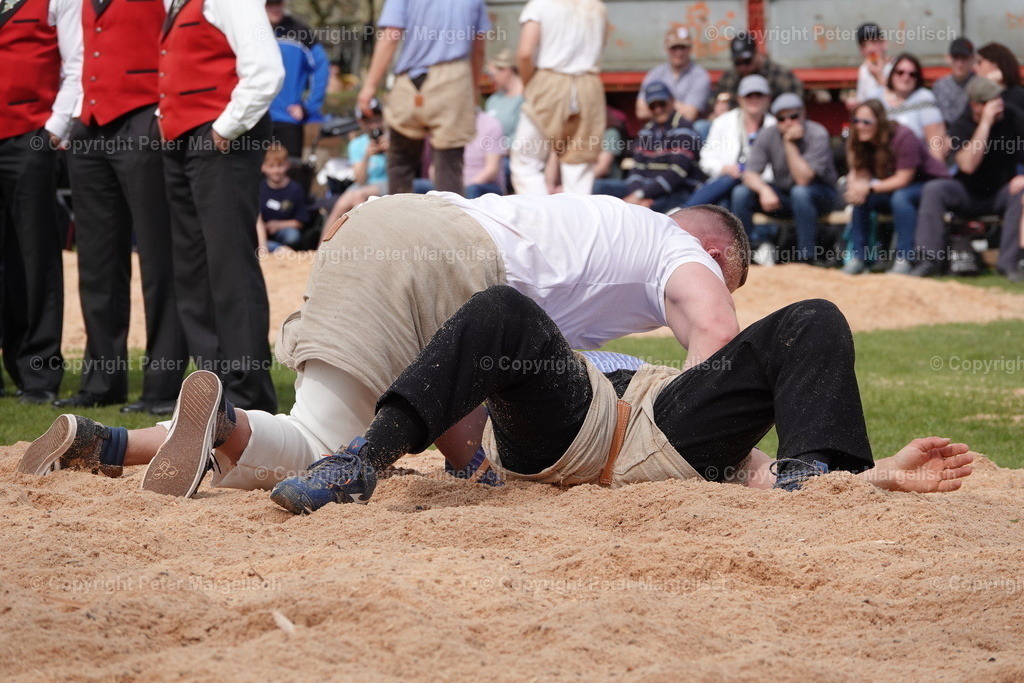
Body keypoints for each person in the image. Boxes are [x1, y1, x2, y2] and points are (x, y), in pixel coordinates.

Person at [20, 196, 751, 498]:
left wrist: (465, 447)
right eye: (732, 276)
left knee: (321, 417)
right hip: (442, 261)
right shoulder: (675, 248)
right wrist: (697, 452)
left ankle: (110, 441)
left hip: (380, 227)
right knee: (321, 447)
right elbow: (719, 337)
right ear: (716, 251)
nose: (725, 291)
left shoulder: (588, 223)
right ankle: (223, 427)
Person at [262, 286, 975, 514]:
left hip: (655, 432)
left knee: (814, 316)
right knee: (504, 308)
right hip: (583, 426)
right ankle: (363, 458)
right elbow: (471, 363)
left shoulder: (687, 375)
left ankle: (826, 483)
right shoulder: (568, 352)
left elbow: (748, 470)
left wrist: (872, 474)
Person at [57, 0, 187, 416]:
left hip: (144, 121)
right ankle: (102, 382)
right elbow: (78, 56)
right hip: (90, 124)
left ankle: (163, 385)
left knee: (158, 256)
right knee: (96, 259)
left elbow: (181, 39)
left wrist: (163, 112)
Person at [158, 0, 284, 413]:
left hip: (221, 136)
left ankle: (250, 395)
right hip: (184, 138)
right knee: (193, 268)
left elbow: (267, 71)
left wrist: (224, 127)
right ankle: (213, 392)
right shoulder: (177, 4)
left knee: (230, 266)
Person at [0, 0, 81, 405]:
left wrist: (53, 129)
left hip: (30, 138)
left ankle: (38, 373)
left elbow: (75, 64)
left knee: (35, 258)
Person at [357, 0, 489, 196]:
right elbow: (478, 46)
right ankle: (451, 224)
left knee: (401, 165)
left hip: (410, 81)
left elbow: (391, 35)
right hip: (453, 81)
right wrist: (474, 90)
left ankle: (399, 222)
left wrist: (369, 86)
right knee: (449, 168)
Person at [911, 77, 1024, 281]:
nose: (999, 103)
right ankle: (928, 261)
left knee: (1021, 193)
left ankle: (1008, 264)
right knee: (934, 189)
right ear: (976, 105)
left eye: (999, 97)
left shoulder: (1014, 117)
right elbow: (967, 165)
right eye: (992, 100)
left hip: (1001, 192)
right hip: (966, 193)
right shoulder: (961, 124)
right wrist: (986, 124)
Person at [509, 0, 607, 195]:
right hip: (589, 84)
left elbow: (525, 54)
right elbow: (600, 49)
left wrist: (530, 85)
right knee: (578, 164)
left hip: (550, 82)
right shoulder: (598, 7)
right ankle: (576, 222)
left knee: (526, 161)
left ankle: (539, 218)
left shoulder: (539, 5)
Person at [842, 100, 950, 275]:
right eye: (856, 121)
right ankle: (858, 258)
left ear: (880, 121)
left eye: (866, 122)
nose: (860, 126)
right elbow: (859, 171)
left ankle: (905, 259)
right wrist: (855, 190)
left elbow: (903, 179)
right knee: (861, 199)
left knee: (901, 198)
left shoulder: (903, 136)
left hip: (929, 184)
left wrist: (868, 188)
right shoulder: (860, 138)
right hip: (895, 187)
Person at [733, 93, 839, 263]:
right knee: (741, 192)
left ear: (803, 114)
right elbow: (749, 173)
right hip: (786, 195)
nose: (788, 122)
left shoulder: (817, 133)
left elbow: (803, 179)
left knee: (800, 192)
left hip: (822, 196)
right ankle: (742, 257)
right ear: (775, 119)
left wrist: (789, 143)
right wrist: (764, 190)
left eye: (793, 116)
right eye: (782, 118)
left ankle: (806, 257)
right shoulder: (768, 134)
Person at [593, 82, 704, 213]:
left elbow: (676, 173)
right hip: (644, 188)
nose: (658, 109)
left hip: (676, 190)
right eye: (653, 106)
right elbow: (636, 169)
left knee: (642, 211)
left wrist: (640, 195)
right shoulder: (646, 131)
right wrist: (637, 194)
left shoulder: (684, 129)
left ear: (672, 101)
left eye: (662, 103)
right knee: (596, 187)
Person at [684, 74, 775, 210]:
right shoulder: (723, 121)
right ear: (740, 99)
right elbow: (707, 158)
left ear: (768, 98)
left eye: (759, 95)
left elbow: (777, 169)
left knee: (737, 191)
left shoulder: (774, 126)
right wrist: (723, 168)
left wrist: (750, 176)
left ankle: (683, 211)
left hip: (759, 185)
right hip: (726, 180)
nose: (754, 99)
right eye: (749, 95)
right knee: (724, 198)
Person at [265, 0, 330, 158]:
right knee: (252, 179)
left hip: (287, 120)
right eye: (269, 3)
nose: (275, 7)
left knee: (291, 176)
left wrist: (308, 106)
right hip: (253, 118)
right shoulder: (247, 30)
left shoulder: (301, 33)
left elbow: (322, 68)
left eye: (278, 3)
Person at [321, 98, 388, 232]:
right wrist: (367, 156)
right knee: (341, 205)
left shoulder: (393, 139)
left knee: (358, 197)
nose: (374, 125)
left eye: (377, 119)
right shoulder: (357, 144)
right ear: (360, 122)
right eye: (368, 121)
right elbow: (360, 179)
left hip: (388, 183)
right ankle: (320, 248)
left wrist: (391, 152)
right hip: (365, 185)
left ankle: (369, 241)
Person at [415, 110, 506, 198]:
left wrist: (463, 187)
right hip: (450, 185)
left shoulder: (491, 125)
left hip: (482, 186)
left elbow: (492, 169)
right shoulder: (446, 125)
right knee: (416, 186)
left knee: (471, 190)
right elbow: (434, 167)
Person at [712, 32, 803, 118]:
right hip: (738, 126)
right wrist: (719, 108)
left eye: (747, 61)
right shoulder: (730, 77)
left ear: (757, 54)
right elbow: (714, 103)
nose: (743, 67)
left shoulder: (779, 75)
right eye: (737, 62)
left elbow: (795, 105)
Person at [878, 53, 947, 162]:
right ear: (892, 74)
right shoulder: (877, 98)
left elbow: (936, 144)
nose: (906, 77)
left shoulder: (924, 98)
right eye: (900, 72)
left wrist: (936, 173)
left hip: (916, 167)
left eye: (912, 74)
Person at [636, 26, 710, 126]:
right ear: (666, 48)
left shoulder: (700, 76)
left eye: (682, 47)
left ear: (690, 49)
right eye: (674, 48)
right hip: (658, 126)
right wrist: (676, 107)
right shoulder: (655, 74)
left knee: (700, 126)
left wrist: (660, 102)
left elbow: (689, 115)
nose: (678, 53)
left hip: (686, 128)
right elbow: (641, 112)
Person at [258, 143, 308, 253]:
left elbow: (300, 221)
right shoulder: (259, 188)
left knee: (292, 236)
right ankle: (279, 249)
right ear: (263, 167)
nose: (276, 171)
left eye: (279, 165)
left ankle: (278, 249)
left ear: (287, 165)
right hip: (261, 234)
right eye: (271, 166)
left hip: (284, 232)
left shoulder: (295, 189)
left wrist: (278, 225)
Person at [847, 22, 893, 108]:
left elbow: (900, 100)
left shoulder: (897, 68)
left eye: (874, 42)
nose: (870, 49)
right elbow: (862, 100)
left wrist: (878, 76)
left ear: (884, 43)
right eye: (864, 45)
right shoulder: (864, 69)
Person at [932, 38, 975, 126]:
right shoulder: (940, 86)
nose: (959, 63)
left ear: (973, 59)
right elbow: (947, 118)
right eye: (955, 58)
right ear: (948, 58)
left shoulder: (979, 83)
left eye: (964, 58)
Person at [973, 43, 1024, 112]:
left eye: (979, 62)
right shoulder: (976, 91)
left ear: (995, 64)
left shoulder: (1018, 94)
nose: (975, 67)